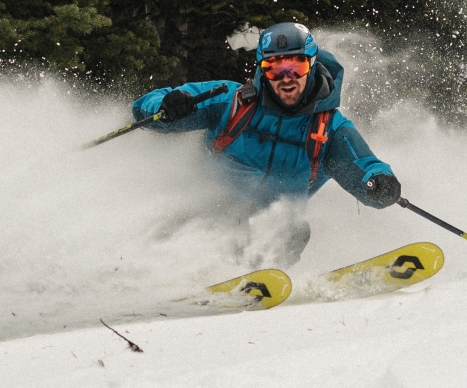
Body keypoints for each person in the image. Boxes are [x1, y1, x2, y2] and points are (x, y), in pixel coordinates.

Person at [130, 22, 400, 264]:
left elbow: (364, 166)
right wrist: (167, 106)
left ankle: (260, 273)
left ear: (312, 65)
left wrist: (380, 182)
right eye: (275, 69)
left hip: (271, 229)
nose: (286, 78)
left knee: (291, 228)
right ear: (262, 70)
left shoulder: (330, 129)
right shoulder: (231, 103)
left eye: (296, 67)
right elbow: (146, 107)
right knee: (173, 225)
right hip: (210, 210)